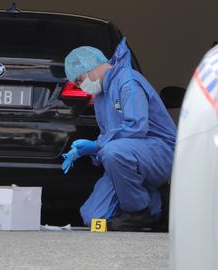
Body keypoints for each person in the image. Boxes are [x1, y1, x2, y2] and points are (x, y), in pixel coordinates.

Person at [62, 39, 177, 231]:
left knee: (113, 152)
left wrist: (97, 146)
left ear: (91, 66)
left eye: (80, 80)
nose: (81, 86)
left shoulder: (128, 82)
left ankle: (138, 212)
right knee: (93, 218)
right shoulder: (101, 96)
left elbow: (136, 127)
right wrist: (92, 150)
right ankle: (156, 206)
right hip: (129, 156)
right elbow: (110, 136)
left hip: (161, 153)